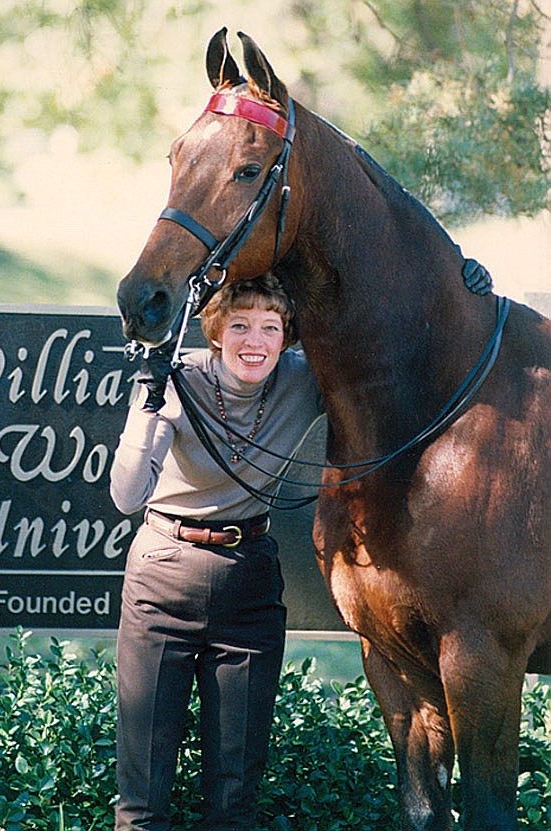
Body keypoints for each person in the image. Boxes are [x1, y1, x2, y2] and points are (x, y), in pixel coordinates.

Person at [109, 261, 493, 831]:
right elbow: (127, 495)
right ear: (214, 331)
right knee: (143, 797)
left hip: (249, 580)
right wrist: (148, 403)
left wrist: (459, 285)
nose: (255, 340)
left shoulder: (302, 378)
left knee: (235, 797)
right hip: (165, 572)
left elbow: (391, 343)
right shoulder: (181, 379)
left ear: (287, 336)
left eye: (270, 326)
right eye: (240, 325)